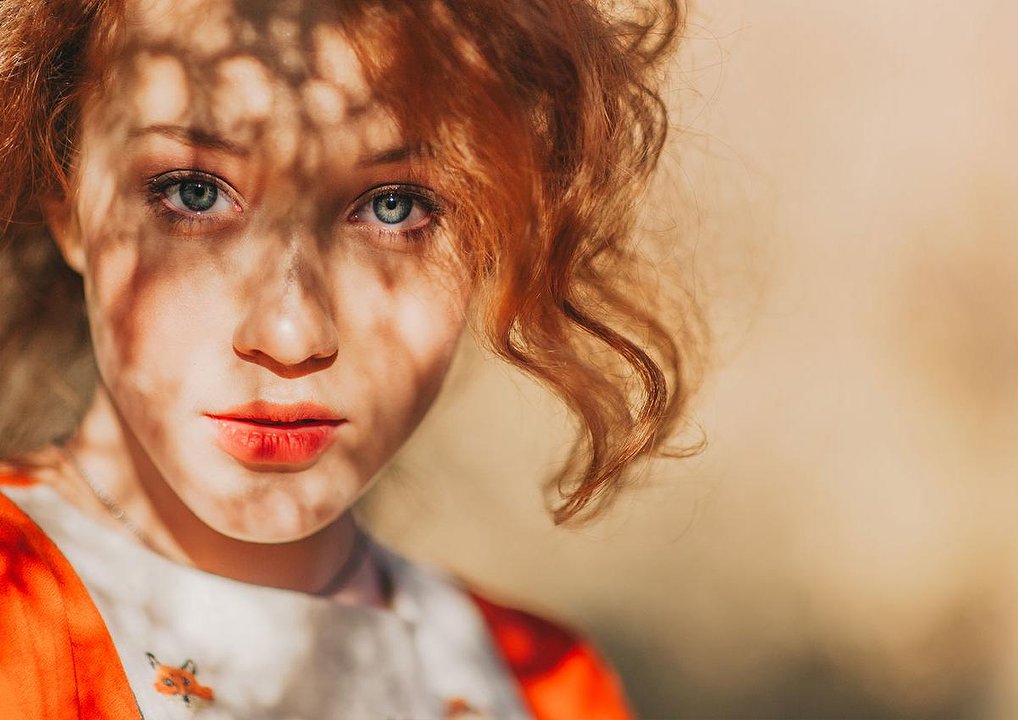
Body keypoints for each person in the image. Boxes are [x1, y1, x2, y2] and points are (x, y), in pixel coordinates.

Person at [0, 0, 693, 717]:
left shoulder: (546, 687)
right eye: (194, 192)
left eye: (396, 206)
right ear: (67, 198)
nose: (291, 334)